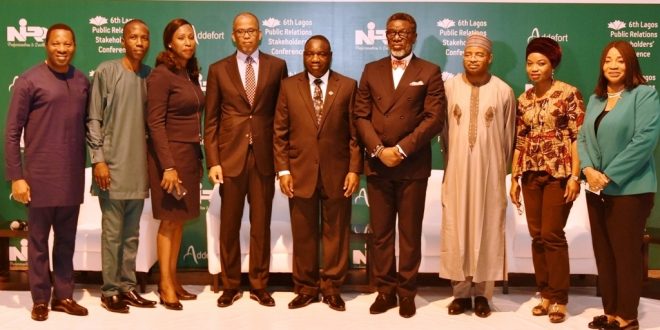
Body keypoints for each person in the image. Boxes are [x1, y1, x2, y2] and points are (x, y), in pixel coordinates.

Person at [353, 12, 445, 318]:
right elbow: (361, 115)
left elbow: (434, 118)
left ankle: (407, 293)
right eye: (392, 32)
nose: (397, 37)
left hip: (412, 165)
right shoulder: (371, 70)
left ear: (414, 35)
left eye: (403, 32)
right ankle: (385, 291)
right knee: (381, 234)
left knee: (408, 233)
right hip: (378, 165)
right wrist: (379, 150)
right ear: (385, 35)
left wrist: (402, 150)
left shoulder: (429, 71)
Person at [4, 23, 89, 321]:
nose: (62, 49)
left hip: (71, 177)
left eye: (67, 44)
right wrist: (17, 176)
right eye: (56, 44)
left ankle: (63, 296)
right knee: (38, 243)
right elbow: (12, 132)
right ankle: (40, 299)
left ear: (74, 46)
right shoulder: (29, 81)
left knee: (66, 242)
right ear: (46, 45)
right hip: (38, 178)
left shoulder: (81, 80)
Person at [204, 12, 288, 308]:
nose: (247, 35)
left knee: (260, 224)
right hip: (230, 159)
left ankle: (259, 284)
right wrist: (213, 160)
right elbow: (211, 119)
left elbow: (283, 116)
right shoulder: (217, 70)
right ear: (233, 35)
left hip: (265, 158)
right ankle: (230, 284)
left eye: (252, 30)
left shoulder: (278, 67)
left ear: (260, 34)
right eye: (241, 31)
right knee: (228, 225)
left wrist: (283, 162)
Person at [273, 35, 362, 312]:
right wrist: (284, 169)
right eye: (310, 54)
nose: (315, 59)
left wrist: (353, 169)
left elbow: (355, 135)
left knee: (336, 233)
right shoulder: (288, 86)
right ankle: (306, 288)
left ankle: (333, 287)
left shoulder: (347, 86)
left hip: (337, 174)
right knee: (303, 234)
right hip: (299, 173)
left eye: (321, 54)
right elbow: (279, 132)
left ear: (330, 55)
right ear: (303, 55)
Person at [578, 40, 660, 330]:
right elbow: (583, 138)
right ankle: (610, 312)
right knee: (604, 253)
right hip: (596, 188)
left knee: (625, 255)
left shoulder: (644, 95)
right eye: (608, 60)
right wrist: (587, 168)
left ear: (631, 64)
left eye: (621, 60)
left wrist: (609, 175)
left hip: (630, 190)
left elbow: (644, 141)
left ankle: (627, 316)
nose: (613, 65)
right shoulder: (595, 99)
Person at [509, 37, 585, 324]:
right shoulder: (523, 99)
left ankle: (560, 298)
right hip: (529, 173)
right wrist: (515, 177)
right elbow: (519, 140)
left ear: (553, 64)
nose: (534, 68)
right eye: (530, 63)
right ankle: (544, 294)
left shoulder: (568, 93)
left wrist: (575, 176)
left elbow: (579, 137)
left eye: (541, 63)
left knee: (553, 235)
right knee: (537, 235)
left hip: (559, 173)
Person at [440, 34, 515, 318]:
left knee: (488, 229)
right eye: (468, 53)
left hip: (489, 173)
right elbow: (445, 133)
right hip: (458, 170)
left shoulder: (503, 91)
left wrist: (494, 164)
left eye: (479, 54)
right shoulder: (449, 88)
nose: (473, 58)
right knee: (457, 227)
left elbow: (508, 137)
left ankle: (483, 295)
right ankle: (460, 293)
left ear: (490, 58)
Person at [86, 19, 157, 313]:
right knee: (112, 232)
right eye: (133, 37)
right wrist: (98, 160)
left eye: (144, 38)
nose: (139, 43)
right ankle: (110, 290)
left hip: (138, 169)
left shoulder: (149, 76)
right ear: (123, 41)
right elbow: (93, 118)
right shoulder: (107, 70)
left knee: (132, 234)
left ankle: (127, 287)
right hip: (111, 168)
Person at [146, 18, 204, 311]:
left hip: (189, 156)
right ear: (170, 42)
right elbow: (155, 123)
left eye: (191, 37)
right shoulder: (162, 75)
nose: (188, 42)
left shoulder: (188, 73)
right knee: (169, 220)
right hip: (169, 159)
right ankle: (164, 285)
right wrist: (168, 166)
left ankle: (174, 279)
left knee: (179, 220)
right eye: (182, 38)